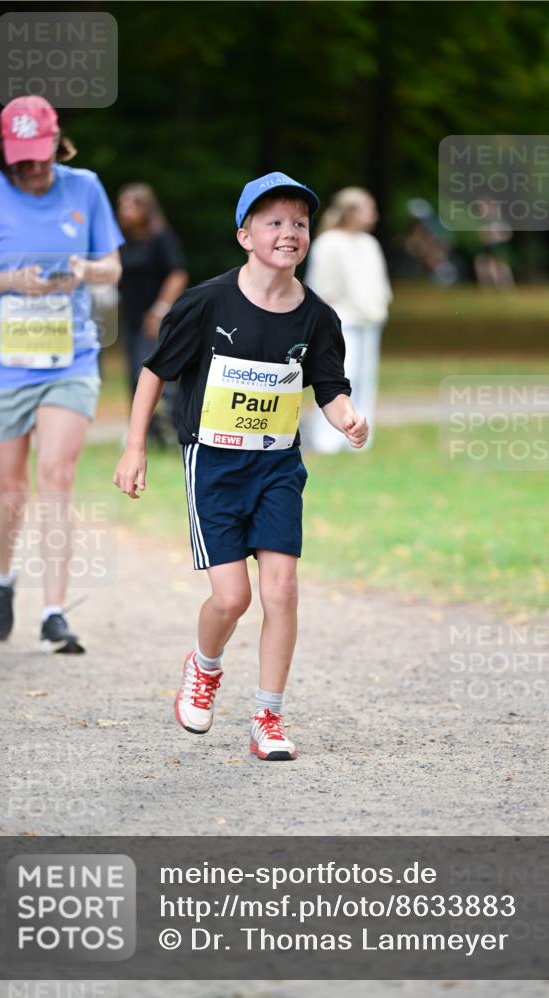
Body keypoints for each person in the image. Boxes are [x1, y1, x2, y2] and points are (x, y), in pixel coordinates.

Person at [113, 171, 368, 760]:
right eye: (274, 222)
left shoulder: (318, 317)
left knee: (282, 590)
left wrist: (348, 417)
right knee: (232, 599)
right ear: (244, 235)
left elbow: (329, 385)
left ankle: (268, 718)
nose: (289, 233)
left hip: (277, 466)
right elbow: (155, 371)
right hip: (214, 465)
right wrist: (133, 448)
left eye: (299, 223)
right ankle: (203, 668)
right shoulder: (206, 302)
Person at [0, 95, 123, 653]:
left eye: (41, 155)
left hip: (70, 358)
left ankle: (55, 610)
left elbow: (112, 264)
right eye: (21, 158)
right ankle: (5, 576)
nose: (32, 167)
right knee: (11, 490)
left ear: (59, 145)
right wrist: (15, 280)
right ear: (4, 153)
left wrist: (85, 268)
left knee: (57, 476)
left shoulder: (85, 187)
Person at [304, 187, 392, 452]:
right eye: (368, 209)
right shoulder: (329, 242)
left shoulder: (369, 243)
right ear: (350, 211)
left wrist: (379, 308)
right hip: (343, 322)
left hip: (370, 320)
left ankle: (361, 437)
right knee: (341, 378)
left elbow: (379, 285)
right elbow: (321, 287)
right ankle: (327, 438)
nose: (373, 216)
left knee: (366, 379)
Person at [116, 184, 188, 443]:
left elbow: (177, 273)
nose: (126, 210)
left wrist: (160, 310)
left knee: (150, 371)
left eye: (133, 204)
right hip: (130, 318)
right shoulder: (121, 241)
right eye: (123, 204)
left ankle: (169, 430)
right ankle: (143, 433)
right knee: (132, 375)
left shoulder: (160, 237)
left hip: (156, 318)